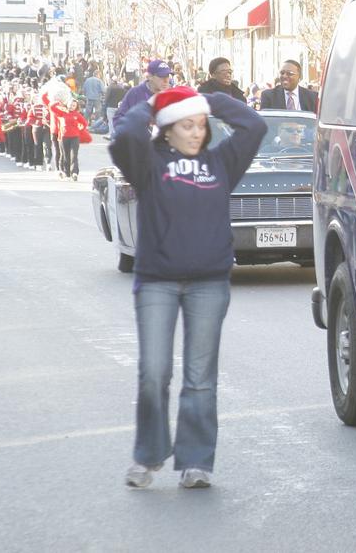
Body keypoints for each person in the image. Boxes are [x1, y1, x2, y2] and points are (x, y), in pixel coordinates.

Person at [110, 85, 267, 489]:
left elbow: (253, 125)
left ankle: (196, 462)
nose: (197, 133)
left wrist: (209, 99)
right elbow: (126, 134)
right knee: (153, 372)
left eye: (201, 125)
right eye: (186, 125)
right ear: (166, 129)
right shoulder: (146, 163)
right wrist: (151, 103)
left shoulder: (222, 162)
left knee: (200, 377)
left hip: (209, 283)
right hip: (156, 282)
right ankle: (148, 457)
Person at [112, 60, 172, 130]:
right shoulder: (135, 93)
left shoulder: (172, 95)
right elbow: (118, 120)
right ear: (150, 76)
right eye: (161, 76)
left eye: (167, 76)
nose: (166, 80)